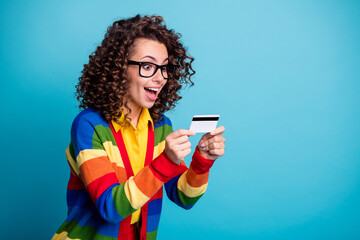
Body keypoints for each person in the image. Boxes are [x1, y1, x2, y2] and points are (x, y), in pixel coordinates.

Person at [52, 15, 226, 240]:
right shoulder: (88, 125)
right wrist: (166, 161)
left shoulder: (161, 127)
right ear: (119, 68)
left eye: (164, 68)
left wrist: (202, 161)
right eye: (147, 66)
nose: (160, 78)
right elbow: (110, 207)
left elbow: (183, 197)